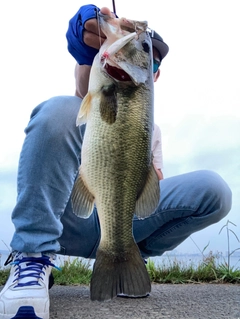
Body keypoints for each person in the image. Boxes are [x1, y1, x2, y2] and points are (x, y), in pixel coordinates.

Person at [0, 4, 232, 319]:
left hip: (122, 220)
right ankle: (32, 253)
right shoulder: (98, 81)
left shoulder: (151, 127)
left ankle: (128, 254)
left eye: (149, 54)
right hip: (71, 219)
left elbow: (154, 185)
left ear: (154, 73)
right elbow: (84, 79)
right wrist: (86, 30)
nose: (142, 49)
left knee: (214, 190)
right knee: (59, 110)